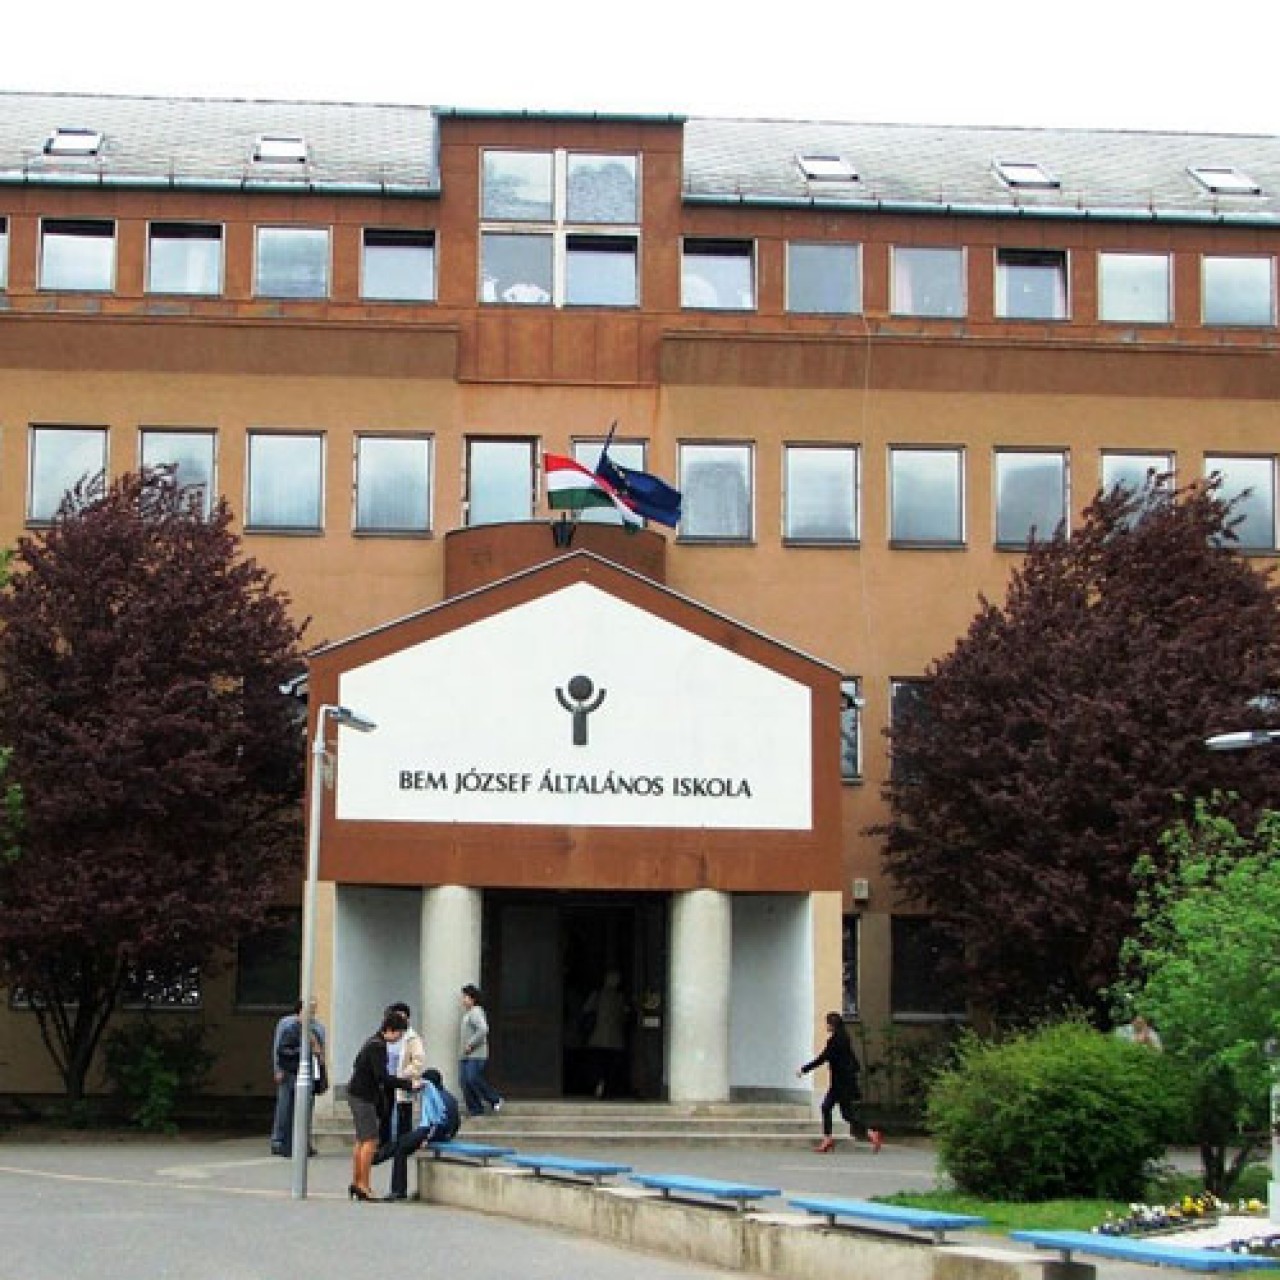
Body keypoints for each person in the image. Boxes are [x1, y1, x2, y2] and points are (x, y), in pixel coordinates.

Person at [346, 1009, 419, 1202]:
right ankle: (363, 1186)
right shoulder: (378, 1046)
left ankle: (357, 1181)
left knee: (361, 1140)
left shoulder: (371, 1042)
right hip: (364, 1096)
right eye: (399, 1034)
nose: (399, 1038)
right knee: (370, 1140)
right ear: (390, 1030)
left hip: (357, 1093)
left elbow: (358, 1064)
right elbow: (382, 1077)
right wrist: (408, 1084)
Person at [798, 1011, 882, 1155]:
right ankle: (871, 1133)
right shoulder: (845, 1038)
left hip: (840, 1083)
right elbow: (852, 1059)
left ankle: (828, 1139)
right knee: (846, 1114)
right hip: (845, 1081)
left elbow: (822, 1058)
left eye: (827, 1023)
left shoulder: (835, 1041)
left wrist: (804, 1069)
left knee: (827, 1107)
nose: (826, 1026)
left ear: (832, 1025)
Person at [375, 1067, 462, 1201]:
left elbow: (438, 1121)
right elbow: (455, 1122)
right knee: (402, 1143)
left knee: (401, 1147)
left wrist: (428, 1138)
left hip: (431, 1131)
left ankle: (396, 1187)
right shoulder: (448, 1096)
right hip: (441, 1133)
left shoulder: (435, 1096)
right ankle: (378, 1158)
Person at [270, 998, 326, 1157]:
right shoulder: (287, 1024)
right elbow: (279, 1048)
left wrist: (321, 1068)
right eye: (309, 1007)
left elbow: (321, 1050)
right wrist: (278, 1069)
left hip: (310, 1072)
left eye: (314, 1007)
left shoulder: (318, 1027)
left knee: (307, 1108)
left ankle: (303, 1141)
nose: (312, 1010)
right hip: (290, 1071)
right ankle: (279, 1140)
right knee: (285, 1106)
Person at [380, 1001, 426, 1149]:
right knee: (385, 1113)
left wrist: (405, 1074)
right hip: (387, 1079)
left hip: (402, 1081)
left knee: (403, 1113)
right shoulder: (387, 1035)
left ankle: (403, 1145)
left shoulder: (412, 1038)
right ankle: (385, 1144)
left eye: (402, 1016)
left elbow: (418, 1061)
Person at [582, 970, 630, 1099]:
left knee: (598, 1065)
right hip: (615, 1039)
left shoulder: (597, 995)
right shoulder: (620, 998)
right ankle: (609, 1090)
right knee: (611, 1067)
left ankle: (598, 1086)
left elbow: (586, 1011)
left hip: (597, 1038)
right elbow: (625, 1016)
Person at [459, 983, 503, 1117]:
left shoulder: (476, 1012)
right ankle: (475, 1109)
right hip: (466, 1055)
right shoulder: (468, 1014)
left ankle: (494, 1098)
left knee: (472, 1078)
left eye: (465, 997)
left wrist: (471, 1044)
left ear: (473, 999)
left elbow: (483, 1029)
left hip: (476, 1054)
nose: (463, 1000)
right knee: (465, 1082)